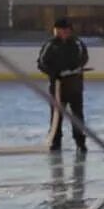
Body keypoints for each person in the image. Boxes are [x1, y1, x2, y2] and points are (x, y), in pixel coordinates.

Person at [37, 17, 89, 153]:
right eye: (59, 30)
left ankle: (80, 142)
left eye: (64, 30)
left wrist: (74, 69)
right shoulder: (50, 45)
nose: (62, 32)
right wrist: (54, 73)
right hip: (57, 87)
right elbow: (42, 63)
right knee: (56, 116)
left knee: (77, 115)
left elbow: (83, 58)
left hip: (75, 87)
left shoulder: (77, 43)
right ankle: (55, 142)